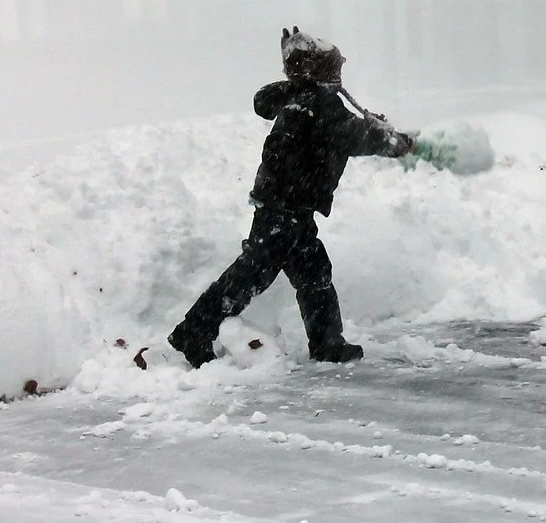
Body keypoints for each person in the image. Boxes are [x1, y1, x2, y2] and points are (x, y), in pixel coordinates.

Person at [170, 28, 414, 368]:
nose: (337, 75)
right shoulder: (321, 106)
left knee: (314, 274)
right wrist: (395, 141)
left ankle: (327, 343)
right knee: (251, 275)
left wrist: (297, 77)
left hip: (285, 208)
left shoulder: (296, 97)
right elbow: (356, 136)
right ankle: (193, 332)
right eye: (332, 68)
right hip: (284, 210)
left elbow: (266, 100)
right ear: (318, 73)